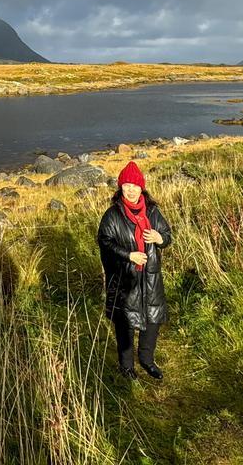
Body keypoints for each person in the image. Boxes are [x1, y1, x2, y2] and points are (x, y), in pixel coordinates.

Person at [97, 159, 173, 380]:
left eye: (134, 186)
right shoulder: (113, 215)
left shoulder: (153, 212)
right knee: (125, 323)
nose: (130, 190)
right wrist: (128, 255)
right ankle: (126, 366)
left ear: (142, 187)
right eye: (126, 186)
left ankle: (147, 361)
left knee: (152, 320)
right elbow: (105, 241)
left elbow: (167, 236)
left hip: (150, 277)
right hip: (125, 279)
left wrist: (160, 238)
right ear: (121, 187)